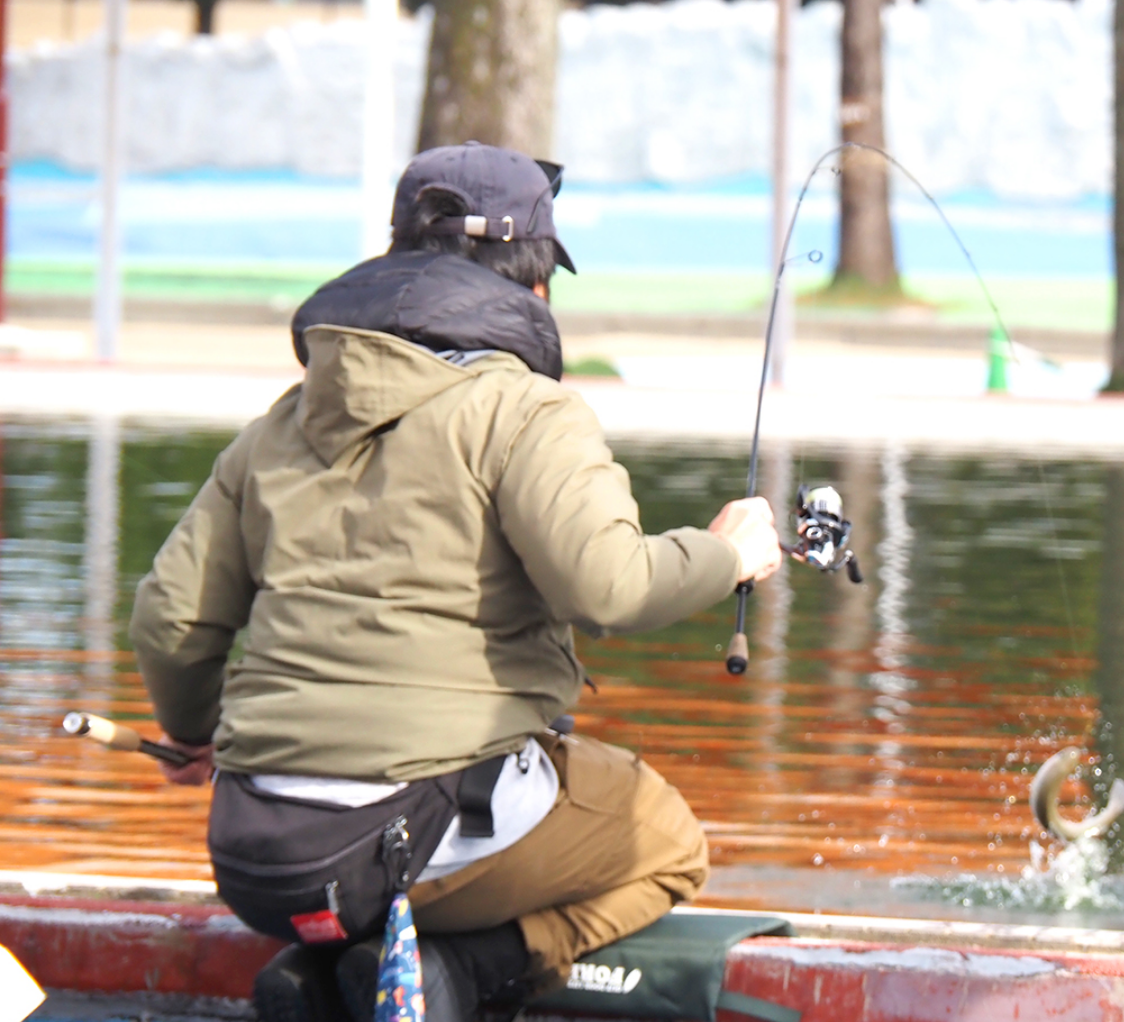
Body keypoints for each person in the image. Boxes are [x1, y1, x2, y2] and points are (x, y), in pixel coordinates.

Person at [129, 141, 784, 1022]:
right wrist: (729, 553)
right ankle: (461, 975)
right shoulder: (525, 409)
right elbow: (612, 590)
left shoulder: (279, 424)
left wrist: (195, 732)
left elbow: (170, 619)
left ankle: (321, 974)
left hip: (252, 854)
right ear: (535, 280)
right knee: (665, 840)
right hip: (402, 842)